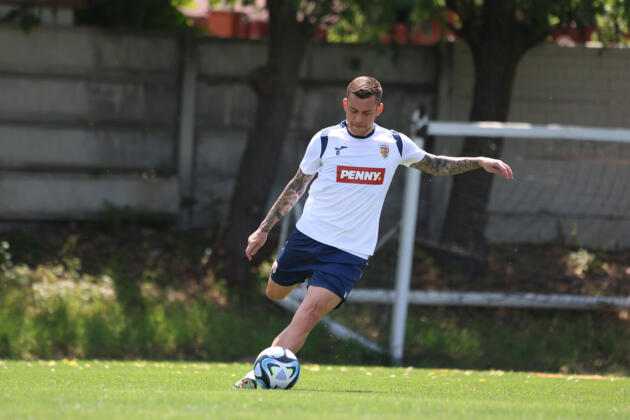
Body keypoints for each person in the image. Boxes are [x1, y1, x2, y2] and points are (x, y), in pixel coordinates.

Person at [233, 76, 513, 389]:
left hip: (349, 252)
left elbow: (434, 164)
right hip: (308, 238)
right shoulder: (325, 140)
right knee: (275, 293)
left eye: (366, 113)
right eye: (353, 111)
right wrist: (262, 230)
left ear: (378, 109)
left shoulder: (393, 144)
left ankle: (259, 378)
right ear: (345, 105)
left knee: (308, 314)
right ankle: (283, 272)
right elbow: (297, 186)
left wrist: (479, 161)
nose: (358, 119)